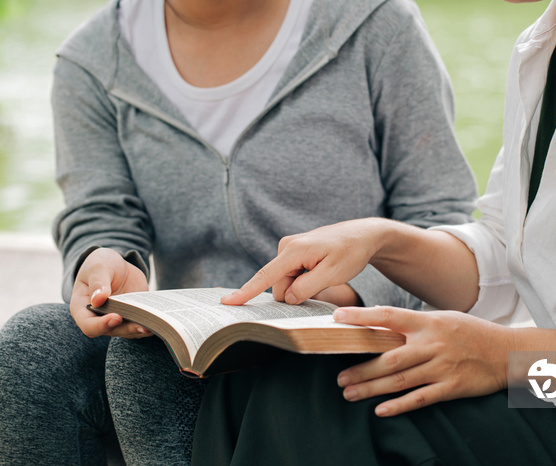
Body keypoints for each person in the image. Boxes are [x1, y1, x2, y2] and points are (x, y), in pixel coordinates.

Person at [191, 0, 556, 464]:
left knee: (320, 403)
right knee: (261, 372)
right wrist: (383, 241)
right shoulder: (551, 41)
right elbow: (511, 248)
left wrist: (507, 359)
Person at [0, 0, 479, 464]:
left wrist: (350, 291)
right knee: (36, 346)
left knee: (146, 372)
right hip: (197, 344)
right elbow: (100, 211)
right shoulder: (91, 61)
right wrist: (103, 260)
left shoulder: (374, 23)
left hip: (336, 342)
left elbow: (443, 218)